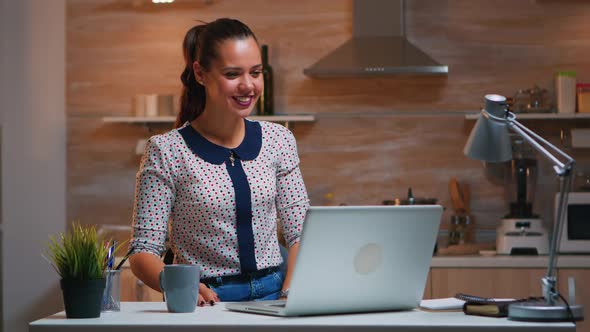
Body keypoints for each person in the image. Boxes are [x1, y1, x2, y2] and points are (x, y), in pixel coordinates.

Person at [128, 18, 309, 305]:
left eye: (256, 72)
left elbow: (301, 231)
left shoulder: (279, 140)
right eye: (233, 74)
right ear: (200, 73)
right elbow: (142, 252)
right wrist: (176, 285)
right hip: (207, 301)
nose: (248, 85)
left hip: (278, 294)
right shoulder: (166, 150)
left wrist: (290, 294)